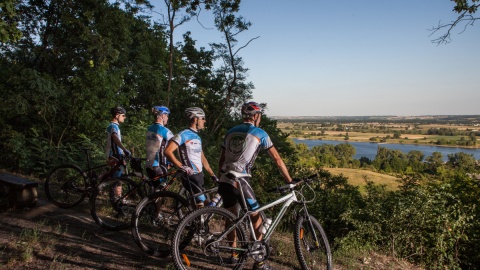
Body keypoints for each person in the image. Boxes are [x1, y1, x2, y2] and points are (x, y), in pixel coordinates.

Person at [217, 101, 293, 270]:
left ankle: (233, 255)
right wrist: (289, 181)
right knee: (256, 217)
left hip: (224, 178)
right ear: (257, 116)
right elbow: (278, 160)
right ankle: (259, 262)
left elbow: (221, 159)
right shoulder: (260, 133)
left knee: (231, 217)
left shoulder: (230, 131)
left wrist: (218, 177)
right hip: (240, 179)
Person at [164, 107, 218, 208]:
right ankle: (194, 222)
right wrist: (182, 166)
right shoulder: (183, 134)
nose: (204, 121)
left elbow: (203, 158)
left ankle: (194, 222)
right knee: (202, 205)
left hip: (199, 176)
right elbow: (167, 151)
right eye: (202, 118)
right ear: (195, 119)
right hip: (190, 175)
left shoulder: (197, 137)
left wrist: (212, 174)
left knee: (205, 205)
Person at [145, 105, 174, 188]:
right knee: (161, 192)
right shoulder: (164, 130)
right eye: (167, 116)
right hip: (159, 165)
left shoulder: (149, 128)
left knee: (154, 190)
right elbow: (176, 144)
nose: (167, 118)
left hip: (148, 164)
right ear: (162, 116)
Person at [106, 106, 131, 178]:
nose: (124, 117)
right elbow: (115, 138)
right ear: (117, 115)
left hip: (117, 155)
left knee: (117, 178)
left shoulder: (115, 126)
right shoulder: (113, 126)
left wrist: (122, 153)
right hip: (114, 155)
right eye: (123, 115)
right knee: (116, 180)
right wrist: (124, 149)